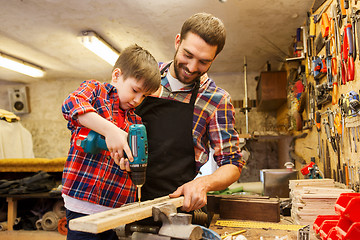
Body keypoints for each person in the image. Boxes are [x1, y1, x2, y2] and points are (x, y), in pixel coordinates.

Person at [120, 12, 246, 212]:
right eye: (187, 55)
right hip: (121, 201)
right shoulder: (142, 77)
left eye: (204, 61)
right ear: (177, 41)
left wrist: (203, 183)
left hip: (174, 206)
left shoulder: (216, 100)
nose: (192, 67)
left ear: (215, 58)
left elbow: (232, 164)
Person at [61, 44, 161, 240]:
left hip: (116, 208)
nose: (138, 100)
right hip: (82, 202)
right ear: (116, 75)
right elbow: (71, 104)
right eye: (135, 90)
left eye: (144, 96)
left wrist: (128, 165)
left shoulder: (136, 123)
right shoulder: (96, 92)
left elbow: (132, 162)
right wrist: (110, 131)